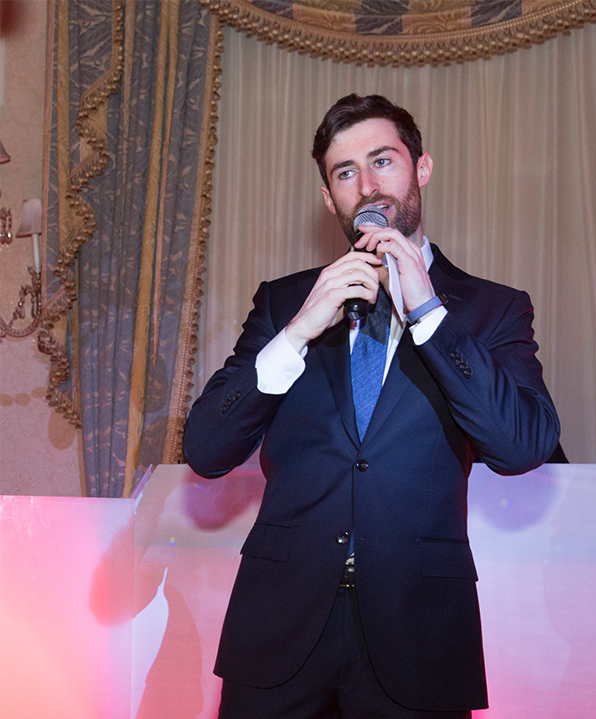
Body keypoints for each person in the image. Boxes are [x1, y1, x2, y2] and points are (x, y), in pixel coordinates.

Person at [183, 94, 561, 719]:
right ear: (329, 197)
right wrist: (298, 332)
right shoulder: (285, 302)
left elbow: (522, 445)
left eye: (382, 161)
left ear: (422, 168)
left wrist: (429, 313)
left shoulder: (491, 309)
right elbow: (206, 449)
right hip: (279, 631)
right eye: (346, 171)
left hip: (419, 631)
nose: (367, 185)